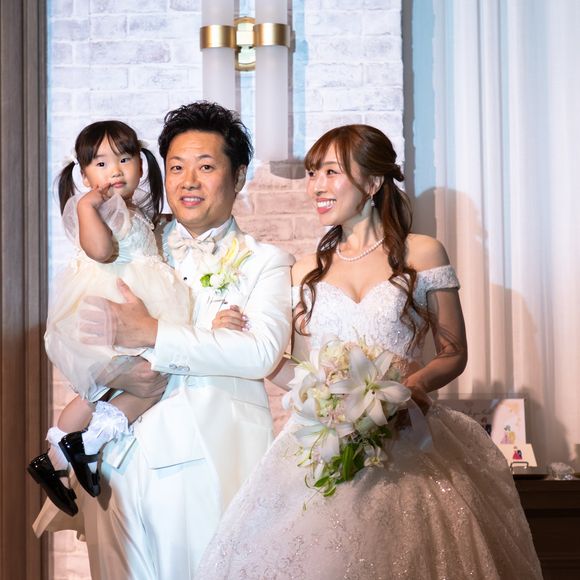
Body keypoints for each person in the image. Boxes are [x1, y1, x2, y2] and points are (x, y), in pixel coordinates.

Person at [196, 124, 542, 579]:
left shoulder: (423, 253)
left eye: (331, 172)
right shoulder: (305, 270)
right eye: (313, 174)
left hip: (408, 437)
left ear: (374, 182)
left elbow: (453, 352)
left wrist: (405, 391)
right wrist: (248, 348)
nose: (317, 187)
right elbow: (295, 369)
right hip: (326, 443)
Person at [48, 102, 294, 579]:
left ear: (239, 177)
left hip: (203, 465)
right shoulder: (135, 237)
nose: (188, 181)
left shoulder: (266, 261)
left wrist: (153, 333)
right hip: (114, 467)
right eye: (177, 167)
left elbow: (261, 352)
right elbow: (84, 325)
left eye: (206, 167)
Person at [28, 120, 190, 515]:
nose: (115, 170)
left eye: (124, 159)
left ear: (141, 164)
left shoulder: (132, 208)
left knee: (99, 391)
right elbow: (100, 251)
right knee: (149, 381)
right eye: (101, 164)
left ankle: (57, 456)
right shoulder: (96, 207)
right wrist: (87, 206)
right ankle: (82, 445)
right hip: (111, 306)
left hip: (133, 305)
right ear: (85, 176)